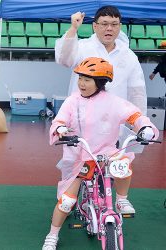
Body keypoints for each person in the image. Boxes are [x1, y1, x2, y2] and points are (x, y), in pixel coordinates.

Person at [41, 57, 159, 250]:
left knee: (123, 163)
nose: (81, 83)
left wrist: (144, 127)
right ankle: (52, 234)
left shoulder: (113, 102)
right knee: (67, 201)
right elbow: (59, 121)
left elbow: (135, 116)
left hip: (107, 154)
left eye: (87, 79)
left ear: (101, 82)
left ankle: (121, 199)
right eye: (80, 78)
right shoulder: (73, 101)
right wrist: (60, 129)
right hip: (81, 156)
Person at [55, 5, 147, 214]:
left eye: (114, 24)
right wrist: (73, 29)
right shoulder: (83, 46)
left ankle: (119, 199)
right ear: (95, 26)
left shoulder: (127, 54)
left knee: (116, 163)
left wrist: (138, 123)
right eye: (104, 24)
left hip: (114, 122)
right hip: (81, 118)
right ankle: (66, 200)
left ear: (120, 27)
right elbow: (63, 59)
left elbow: (137, 90)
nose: (109, 29)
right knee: (74, 163)